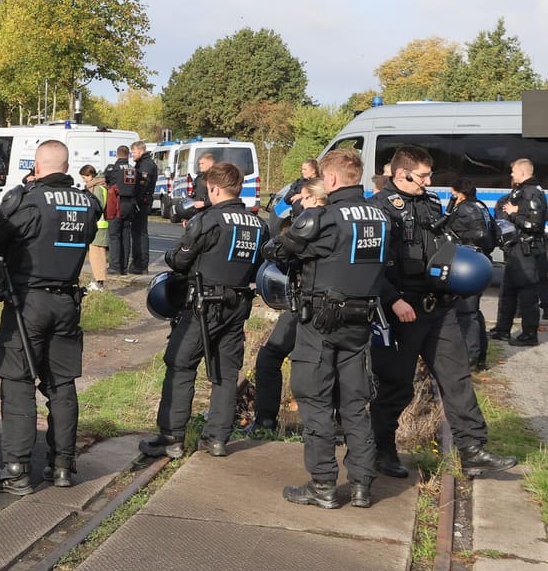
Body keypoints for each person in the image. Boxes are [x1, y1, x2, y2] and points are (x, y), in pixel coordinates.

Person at [368, 148, 517, 480]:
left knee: (457, 378)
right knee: (396, 386)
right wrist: (393, 301)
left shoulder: (433, 203)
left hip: (438, 306)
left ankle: (472, 450)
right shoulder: (379, 208)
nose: (428, 181)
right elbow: (371, 264)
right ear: (401, 174)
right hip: (402, 310)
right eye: (422, 175)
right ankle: (382, 450)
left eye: (429, 174)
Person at [0, 139, 103, 494]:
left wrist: (7, 205)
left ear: (37, 165)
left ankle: (16, 470)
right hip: (67, 302)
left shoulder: (29, 201)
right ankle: (63, 465)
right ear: (66, 166)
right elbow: (90, 233)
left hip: (28, 302)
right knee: (61, 384)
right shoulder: (86, 203)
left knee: (18, 382)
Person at [270, 149, 387, 510]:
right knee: (355, 404)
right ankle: (362, 485)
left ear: (331, 179)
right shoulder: (381, 216)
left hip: (321, 322)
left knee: (315, 400)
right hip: (361, 322)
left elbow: (280, 252)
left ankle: (322, 484)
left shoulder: (325, 218)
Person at [141, 162, 266, 459]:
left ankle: (171, 437)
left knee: (180, 364)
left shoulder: (208, 220)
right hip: (238, 304)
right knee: (226, 372)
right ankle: (217, 439)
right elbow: (260, 267)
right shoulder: (258, 224)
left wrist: (175, 251)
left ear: (215, 188)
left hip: (202, 305)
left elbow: (179, 260)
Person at [248, 178, 325, 435]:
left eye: (302, 197)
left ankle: (266, 421)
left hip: (307, 305)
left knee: (271, 356)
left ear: (312, 198)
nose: (298, 202)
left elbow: (276, 251)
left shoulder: (309, 223)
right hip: (338, 307)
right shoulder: (341, 220)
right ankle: (337, 424)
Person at [493, 158, 548, 346]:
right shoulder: (521, 191)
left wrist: (514, 214)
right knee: (507, 291)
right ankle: (502, 330)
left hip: (527, 250)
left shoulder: (532, 192)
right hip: (514, 249)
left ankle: (529, 334)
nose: (511, 174)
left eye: (514, 171)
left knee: (527, 294)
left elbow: (534, 224)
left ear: (523, 172)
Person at [445, 178, 494, 370]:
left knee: (466, 313)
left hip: (469, 265)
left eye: (453, 194)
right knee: (474, 312)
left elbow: (479, 235)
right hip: (480, 262)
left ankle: (470, 358)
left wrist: (458, 241)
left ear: (460, 194)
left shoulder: (465, 208)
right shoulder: (480, 206)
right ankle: (479, 356)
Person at [106, 145, 136, 274]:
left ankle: (114, 266)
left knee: (114, 236)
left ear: (117, 155)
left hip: (117, 204)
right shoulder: (133, 169)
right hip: (130, 204)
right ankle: (124, 267)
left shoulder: (113, 169)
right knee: (126, 235)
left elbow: (107, 181)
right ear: (128, 155)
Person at [79, 164, 110, 291]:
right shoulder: (99, 186)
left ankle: (99, 282)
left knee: (97, 256)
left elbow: (98, 206)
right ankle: (97, 280)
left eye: (84, 177)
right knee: (95, 255)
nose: (84, 180)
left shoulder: (97, 188)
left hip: (99, 225)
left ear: (90, 175)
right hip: (99, 225)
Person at [129, 142, 159, 273]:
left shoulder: (146, 165)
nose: (132, 155)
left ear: (141, 151)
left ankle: (141, 264)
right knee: (137, 233)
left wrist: (135, 199)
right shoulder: (142, 163)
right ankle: (138, 263)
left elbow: (142, 185)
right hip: (142, 202)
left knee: (140, 233)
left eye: (134, 152)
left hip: (142, 203)